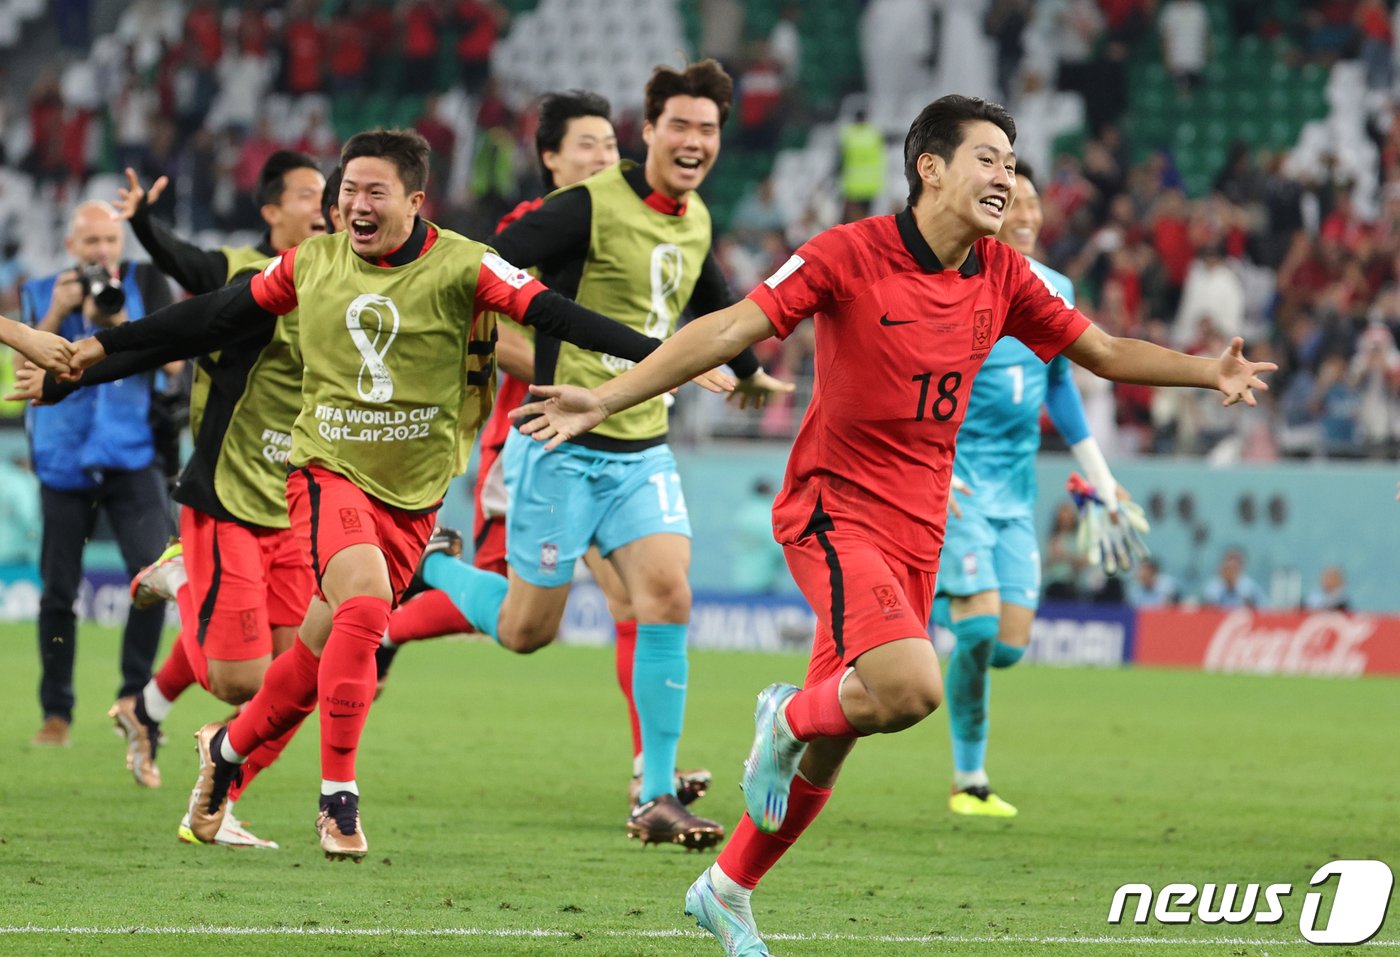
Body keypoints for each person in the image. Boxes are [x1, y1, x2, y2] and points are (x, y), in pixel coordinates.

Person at [511, 94, 1275, 955]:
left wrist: (1207, 372)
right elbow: (728, 324)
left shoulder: (1000, 272)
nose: (1006, 175)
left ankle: (727, 888)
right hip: (836, 510)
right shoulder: (848, 253)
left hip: (918, 529)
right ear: (931, 168)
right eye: (987, 157)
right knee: (909, 689)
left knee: (849, 732)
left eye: (1012, 160)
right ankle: (785, 717)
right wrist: (607, 394)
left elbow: (1098, 350)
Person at [71, 127, 685, 861]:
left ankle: (226, 750)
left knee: (314, 652)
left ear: (415, 201)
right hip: (326, 470)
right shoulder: (309, 264)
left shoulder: (466, 265)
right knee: (362, 606)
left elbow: (553, 313)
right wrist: (97, 355)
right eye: (346, 190)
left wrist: (665, 356)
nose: (354, 205)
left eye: (374, 192)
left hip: (415, 493)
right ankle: (338, 799)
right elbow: (208, 316)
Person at [396, 61, 791, 852]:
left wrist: (748, 374)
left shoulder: (695, 217)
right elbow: (480, 261)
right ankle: (431, 565)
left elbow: (714, 302)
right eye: (678, 125)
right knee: (525, 628)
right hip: (562, 447)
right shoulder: (582, 207)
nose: (693, 141)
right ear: (646, 132)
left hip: (642, 449)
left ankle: (653, 795)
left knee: (667, 597)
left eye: (707, 129)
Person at [373, 89, 714, 810]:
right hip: (531, 431)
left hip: (626, 440)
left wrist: (716, 365)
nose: (599, 156)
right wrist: (571, 372)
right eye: (582, 145)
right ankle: (416, 589)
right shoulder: (538, 230)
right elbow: (474, 304)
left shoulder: (649, 219)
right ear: (551, 158)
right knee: (529, 622)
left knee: (649, 597)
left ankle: (651, 780)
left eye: (605, 143)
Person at [19, 154, 330, 847]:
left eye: (329, 196)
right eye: (309, 194)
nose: (326, 206)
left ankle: (201, 783)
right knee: (239, 679)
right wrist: (72, 370)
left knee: (292, 682)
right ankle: (175, 591)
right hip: (225, 490)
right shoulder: (248, 279)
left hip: (296, 505)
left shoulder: (349, 291)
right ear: (272, 209)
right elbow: (169, 330)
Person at [931, 161, 1138, 818]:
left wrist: (1099, 477)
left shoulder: (1055, 287)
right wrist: (928, 464)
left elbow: (1059, 384)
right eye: (1011, 201)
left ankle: (928, 609)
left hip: (1015, 493)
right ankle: (971, 778)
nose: (1024, 215)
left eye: (1033, 205)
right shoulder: (956, 283)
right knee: (981, 627)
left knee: (1009, 647)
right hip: (956, 484)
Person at [20, 200, 176, 748]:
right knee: (58, 593)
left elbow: (176, 362)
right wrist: (57, 314)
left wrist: (118, 326)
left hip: (131, 458)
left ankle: (135, 700)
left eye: (110, 241)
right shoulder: (41, 290)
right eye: (92, 243)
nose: (102, 252)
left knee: (150, 579)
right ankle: (56, 713)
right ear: (71, 247)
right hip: (63, 463)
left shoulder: (145, 283)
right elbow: (22, 375)